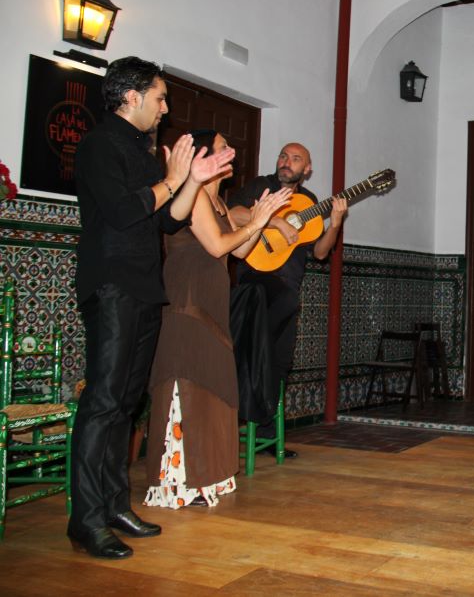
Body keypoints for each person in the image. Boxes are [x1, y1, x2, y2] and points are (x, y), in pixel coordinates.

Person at [70, 57, 234, 559]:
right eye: (160, 98)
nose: (166, 108)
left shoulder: (143, 150)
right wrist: (174, 178)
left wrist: (189, 181)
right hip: (112, 284)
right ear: (133, 96)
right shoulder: (99, 145)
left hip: (144, 288)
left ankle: (116, 503)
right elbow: (123, 212)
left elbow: (166, 221)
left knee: (125, 404)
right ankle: (86, 518)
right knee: (102, 401)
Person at [144, 130, 291, 509]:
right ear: (204, 157)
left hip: (213, 307)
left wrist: (261, 219)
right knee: (189, 387)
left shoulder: (221, 204)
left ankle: (207, 477)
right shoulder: (191, 200)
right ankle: (179, 481)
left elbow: (240, 250)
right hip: (187, 305)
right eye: (225, 146)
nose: (233, 150)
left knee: (214, 390)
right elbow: (216, 246)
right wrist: (256, 223)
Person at [227, 143, 348, 458]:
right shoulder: (260, 186)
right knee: (250, 355)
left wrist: (335, 224)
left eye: (296, 159)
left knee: (280, 361)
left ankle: (264, 429)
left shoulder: (308, 203)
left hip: (288, 288)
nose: (287, 162)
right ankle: (230, 421)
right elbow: (234, 213)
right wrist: (274, 221)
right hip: (255, 281)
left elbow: (321, 253)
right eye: (283, 156)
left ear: (307, 170)